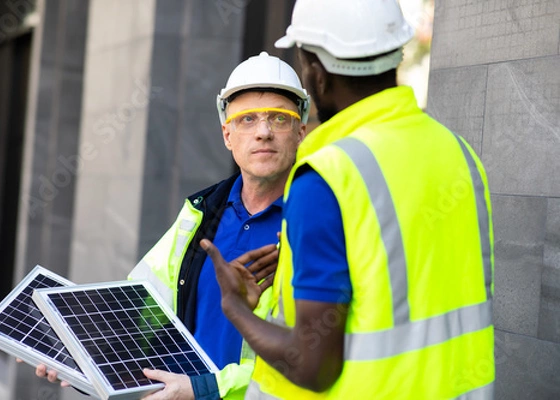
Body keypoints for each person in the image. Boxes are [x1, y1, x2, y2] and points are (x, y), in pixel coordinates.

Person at [202, 1, 496, 399]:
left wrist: (234, 307)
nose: (264, 132)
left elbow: (312, 365)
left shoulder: (325, 178)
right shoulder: (460, 154)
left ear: (317, 76)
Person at [27, 52, 310, 400]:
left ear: (301, 131)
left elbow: (311, 353)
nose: (263, 132)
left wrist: (206, 390)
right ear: (227, 134)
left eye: (279, 119)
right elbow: (142, 305)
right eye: (247, 119)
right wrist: (86, 354)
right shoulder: (201, 213)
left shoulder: (314, 221)